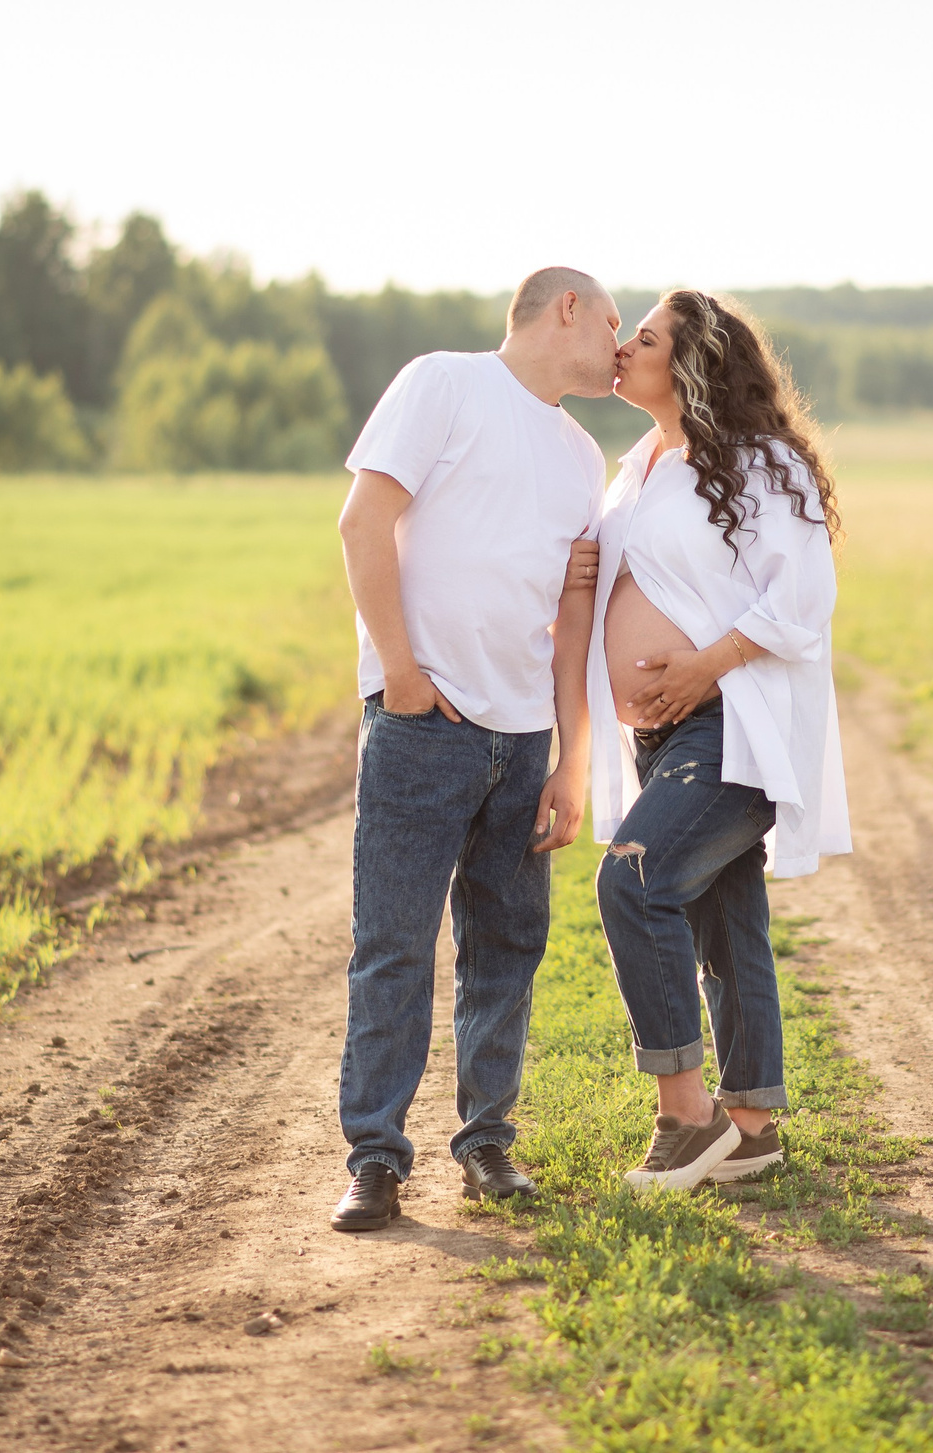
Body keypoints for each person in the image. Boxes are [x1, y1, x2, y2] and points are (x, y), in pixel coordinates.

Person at [329, 266, 619, 1232]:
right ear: (565, 307)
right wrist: (401, 676)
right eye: (614, 321)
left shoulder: (584, 454)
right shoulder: (442, 382)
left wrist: (572, 759)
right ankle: (375, 1155)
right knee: (395, 945)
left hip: (523, 736)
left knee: (506, 946)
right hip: (423, 727)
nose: (622, 347)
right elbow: (361, 520)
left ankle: (486, 1141)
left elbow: (574, 614)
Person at [584, 289, 850, 1192]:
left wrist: (706, 665)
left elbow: (805, 597)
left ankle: (686, 1117)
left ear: (692, 362)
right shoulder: (642, 465)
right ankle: (753, 1126)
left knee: (634, 875)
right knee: (726, 923)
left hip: (735, 723)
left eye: (645, 337)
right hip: (665, 736)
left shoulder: (763, 462)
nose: (625, 348)